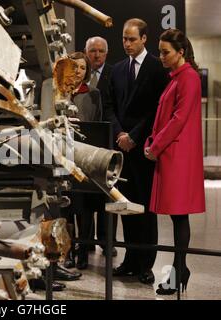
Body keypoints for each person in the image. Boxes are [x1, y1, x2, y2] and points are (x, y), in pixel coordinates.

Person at [105, 18, 169, 284]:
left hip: (143, 148)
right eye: (123, 38)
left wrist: (133, 136)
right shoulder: (118, 69)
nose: (127, 43)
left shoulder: (157, 67)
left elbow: (157, 109)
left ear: (144, 38)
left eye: (132, 39)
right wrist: (120, 134)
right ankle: (130, 260)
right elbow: (109, 105)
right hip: (121, 149)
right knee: (125, 205)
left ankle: (146, 264)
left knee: (144, 208)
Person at [144, 29, 205, 295]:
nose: (161, 57)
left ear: (181, 52)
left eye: (166, 52)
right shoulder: (178, 77)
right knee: (176, 216)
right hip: (170, 154)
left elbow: (178, 120)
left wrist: (155, 146)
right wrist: (152, 141)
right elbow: (166, 117)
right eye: (160, 51)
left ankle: (180, 271)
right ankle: (180, 269)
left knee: (179, 216)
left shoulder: (188, 77)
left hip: (177, 156)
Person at [61, 51, 103, 270]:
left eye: (82, 68)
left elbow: (97, 123)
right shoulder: (59, 91)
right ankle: (68, 251)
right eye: (74, 66)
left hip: (84, 155)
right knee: (66, 206)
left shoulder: (93, 94)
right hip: (61, 155)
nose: (78, 71)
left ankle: (83, 253)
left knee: (85, 207)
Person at [85, 36, 118, 257]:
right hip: (85, 142)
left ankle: (108, 242)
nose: (96, 55)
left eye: (100, 51)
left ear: (106, 53)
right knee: (84, 197)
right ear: (86, 53)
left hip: (107, 142)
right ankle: (84, 242)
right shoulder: (79, 74)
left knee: (108, 194)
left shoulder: (114, 74)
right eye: (92, 51)